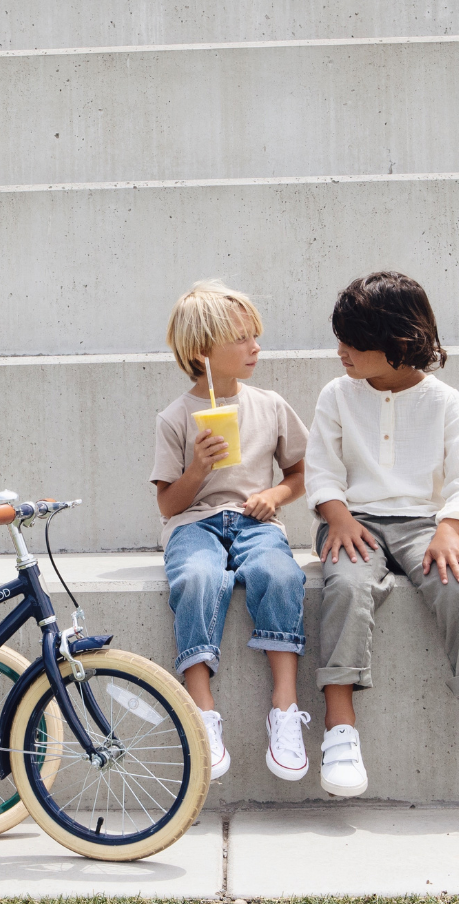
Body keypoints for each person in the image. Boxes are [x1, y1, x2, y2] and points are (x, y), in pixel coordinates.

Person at [304, 271, 459, 798]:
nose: (341, 351)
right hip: (352, 521)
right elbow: (322, 471)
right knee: (346, 586)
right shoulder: (338, 395)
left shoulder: (444, 401)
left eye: (353, 342)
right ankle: (340, 730)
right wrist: (337, 518)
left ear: (398, 344)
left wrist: (450, 530)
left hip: (425, 525)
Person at [150, 279, 311, 780]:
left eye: (254, 336)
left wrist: (276, 496)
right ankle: (202, 711)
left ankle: (284, 708)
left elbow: (303, 473)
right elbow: (166, 504)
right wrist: (198, 468)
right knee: (197, 578)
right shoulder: (176, 418)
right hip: (193, 525)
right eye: (241, 338)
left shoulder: (270, 405)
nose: (255, 347)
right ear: (202, 352)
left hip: (255, 520)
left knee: (280, 575)